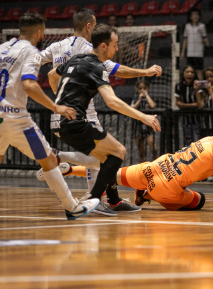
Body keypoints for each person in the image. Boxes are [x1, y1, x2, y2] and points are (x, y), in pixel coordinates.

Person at [0, 12, 99, 220]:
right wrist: (56, 108)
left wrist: (0, 99)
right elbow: (30, 85)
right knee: (48, 160)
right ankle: (72, 207)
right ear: (39, 32)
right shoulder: (30, 52)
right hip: (15, 119)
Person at [39, 8, 162, 215]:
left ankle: (105, 197)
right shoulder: (96, 66)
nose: (117, 49)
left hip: (58, 119)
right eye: (115, 45)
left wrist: (58, 99)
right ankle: (93, 199)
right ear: (103, 45)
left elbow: (51, 74)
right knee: (119, 152)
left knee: (106, 158)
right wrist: (144, 117)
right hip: (76, 120)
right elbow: (112, 101)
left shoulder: (76, 57)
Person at [60, 117, 213, 211]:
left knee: (112, 173)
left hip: (155, 166)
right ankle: (146, 195)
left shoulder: (208, 141)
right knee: (199, 201)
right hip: (166, 188)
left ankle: (70, 170)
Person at [174, 65, 204, 146]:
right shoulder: (179, 86)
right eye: (187, 72)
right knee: (187, 141)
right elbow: (178, 103)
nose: (189, 74)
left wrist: (195, 89)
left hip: (197, 119)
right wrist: (193, 105)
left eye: (192, 72)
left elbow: (200, 105)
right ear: (183, 74)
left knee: (198, 141)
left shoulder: (198, 85)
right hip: (185, 119)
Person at [131, 80, 158, 163]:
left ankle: (155, 164)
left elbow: (153, 105)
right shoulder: (135, 99)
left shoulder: (149, 98)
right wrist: (139, 99)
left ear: (148, 88)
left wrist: (146, 95)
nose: (142, 90)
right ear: (137, 89)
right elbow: (132, 109)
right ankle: (142, 170)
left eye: (144, 88)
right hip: (137, 126)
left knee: (154, 148)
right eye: (140, 88)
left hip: (148, 126)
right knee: (142, 152)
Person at [180, 8, 210, 80]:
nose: (195, 16)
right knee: (190, 69)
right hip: (190, 52)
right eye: (193, 15)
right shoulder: (187, 26)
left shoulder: (202, 26)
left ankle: (201, 86)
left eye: (197, 14)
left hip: (199, 52)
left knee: (199, 70)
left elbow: (204, 37)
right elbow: (185, 39)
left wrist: (207, 43)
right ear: (190, 17)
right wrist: (183, 52)